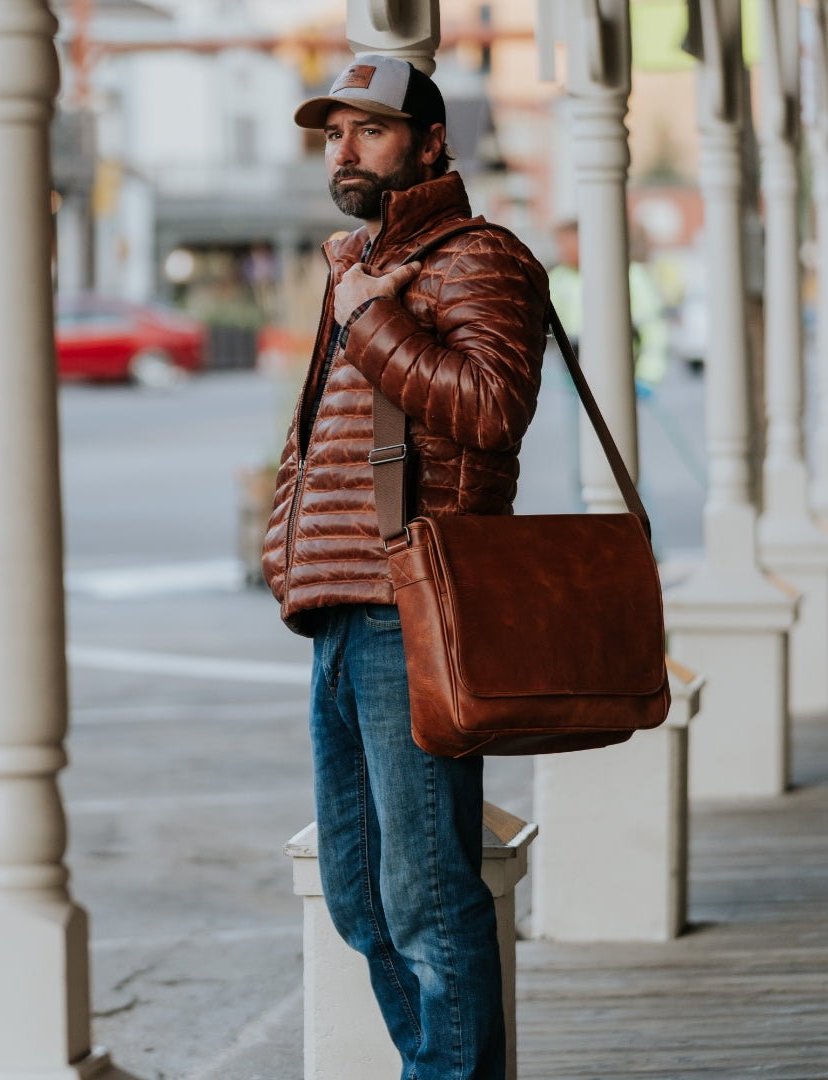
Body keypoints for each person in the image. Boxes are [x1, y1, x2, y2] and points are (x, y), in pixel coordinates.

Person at [261, 54, 549, 1080]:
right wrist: (283, 544)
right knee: (359, 895)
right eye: (334, 132)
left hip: (412, 609)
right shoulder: (359, 262)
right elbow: (327, 435)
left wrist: (371, 319)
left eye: (371, 129)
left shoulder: (480, 259)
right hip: (339, 609)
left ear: (430, 142)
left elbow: (490, 410)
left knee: (426, 893)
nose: (344, 149)